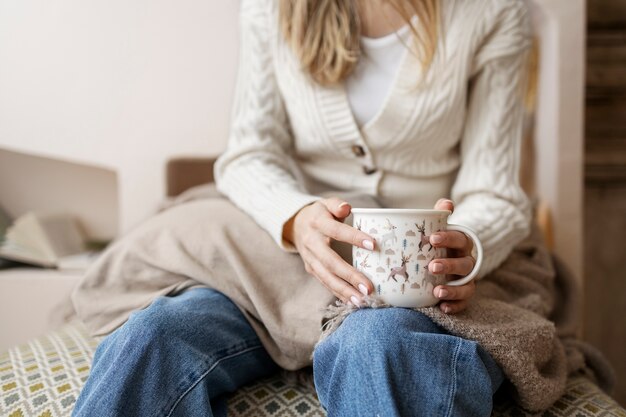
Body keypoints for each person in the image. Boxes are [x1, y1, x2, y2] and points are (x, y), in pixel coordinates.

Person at [72, 0, 536, 416]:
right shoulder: (271, 8)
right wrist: (295, 219)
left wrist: (466, 251)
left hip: (412, 277)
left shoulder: (493, 11)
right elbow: (249, 155)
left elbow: (493, 189)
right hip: (283, 260)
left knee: (377, 345)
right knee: (154, 335)